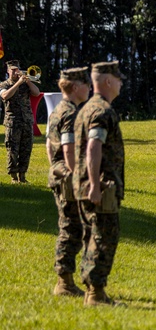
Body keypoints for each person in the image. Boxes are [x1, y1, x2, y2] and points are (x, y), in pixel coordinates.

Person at [73, 61, 126, 306]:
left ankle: (94, 291)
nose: (121, 83)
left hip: (85, 184)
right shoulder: (101, 111)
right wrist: (95, 184)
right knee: (104, 237)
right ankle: (95, 294)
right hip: (101, 186)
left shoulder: (86, 108)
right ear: (107, 81)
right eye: (118, 79)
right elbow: (94, 147)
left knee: (92, 237)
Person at [46, 67, 91, 297]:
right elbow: (69, 149)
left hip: (59, 174)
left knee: (70, 227)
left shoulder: (57, 110)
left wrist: (55, 168)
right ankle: (64, 283)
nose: (89, 88)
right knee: (71, 229)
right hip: (68, 178)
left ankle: (66, 281)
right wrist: (77, 178)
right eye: (86, 84)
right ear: (75, 87)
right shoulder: (71, 113)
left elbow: (48, 144)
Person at [1, 60, 42, 183]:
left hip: (27, 121)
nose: (15, 72)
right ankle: (14, 177)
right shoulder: (4, 84)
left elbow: (37, 93)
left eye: (17, 69)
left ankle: (22, 176)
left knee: (26, 149)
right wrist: (18, 83)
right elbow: (5, 96)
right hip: (13, 122)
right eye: (13, 70)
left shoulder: (25, 84)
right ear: (8, 71)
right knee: (13, 149)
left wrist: (28, 82)